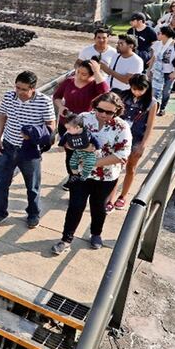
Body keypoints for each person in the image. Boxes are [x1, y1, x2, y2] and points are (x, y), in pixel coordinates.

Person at [51, 92, 132, 255]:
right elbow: (67, 140)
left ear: (117, 111)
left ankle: (96, 233)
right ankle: (66, 239)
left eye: (109, 112)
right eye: (100, 110)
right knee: (75, 206)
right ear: (94, 106)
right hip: (80, 173)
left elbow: (123, 155)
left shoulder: (122, 127)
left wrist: (93, 162)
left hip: (106, 176)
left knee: (98, 206)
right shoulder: (83, 118)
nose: (103, 114)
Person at [0, 71, 56, 230]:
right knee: (1, 184)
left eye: (24, 89)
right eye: (17, 88)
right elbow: (2, 116)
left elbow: (51, 126)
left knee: (32, 186)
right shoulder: (8, 97)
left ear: (33, 88)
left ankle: (33, 214)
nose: (19, 92)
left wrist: (33, 135)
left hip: (30, 150)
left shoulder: (44, 101)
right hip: (8, 146)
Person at [109, 74, 158, 211]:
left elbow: (150, 125)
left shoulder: (152, 103)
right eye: (134, 89)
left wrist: (143, 145)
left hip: (137, 138)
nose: (136, 92)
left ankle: (123, 196)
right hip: (119, 136)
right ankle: (110, 198)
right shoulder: (123, 96)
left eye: (140, 89)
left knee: (130, 167)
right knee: (115, 167)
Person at [53, 60, 110, 125]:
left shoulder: (95, 85)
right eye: (78, 72)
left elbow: (105, 92)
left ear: (92, 75)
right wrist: (61, 106)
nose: (79, 76)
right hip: (66, 120)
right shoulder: (69, 81)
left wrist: (96, 72)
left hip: (85, 122)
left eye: (84, 74)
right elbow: (57, 96)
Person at [147, 25, 175, 116]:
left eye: (159, 33)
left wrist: (174, 72)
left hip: (169, 72)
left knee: (166, 91)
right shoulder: (157, 44)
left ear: (164, 34)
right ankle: (154, 108)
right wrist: (149, 69)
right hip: (157, 71)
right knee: (155, 90)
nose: (157, 35)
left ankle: (162, 108)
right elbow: (154, 57)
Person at [59, 114, 101, 181]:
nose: (67, 131)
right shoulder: (69, 134)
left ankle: (84, 175)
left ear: (77, 127)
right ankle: (74, 174)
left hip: (88, 154)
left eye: (68, 129)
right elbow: (63, 139)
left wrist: (98, 149)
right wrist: (60, 145)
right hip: (76, 152)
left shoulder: (87, 134)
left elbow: (95, 140)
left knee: (89, 164)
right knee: (72, 162)